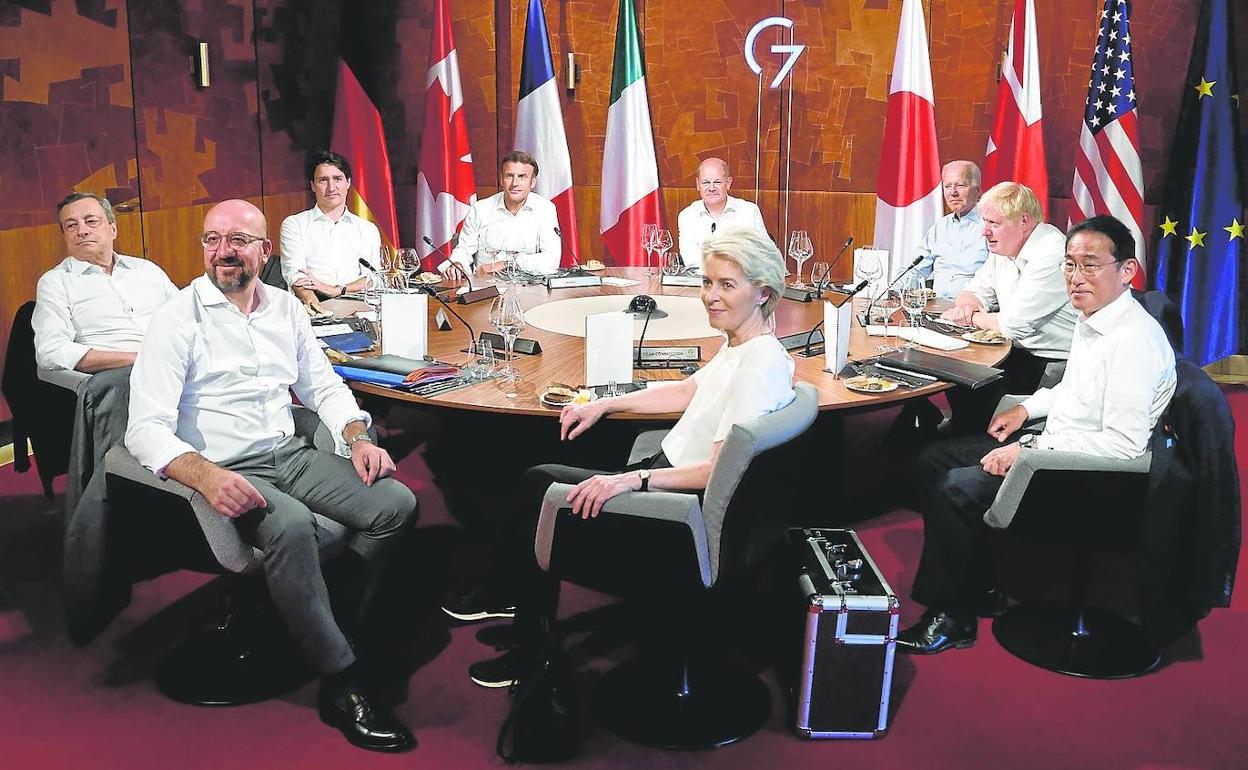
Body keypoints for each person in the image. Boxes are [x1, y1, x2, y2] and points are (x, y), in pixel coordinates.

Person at [125, 199, 418, 752]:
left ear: (265, 250)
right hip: (227, 467)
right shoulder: (176, 318)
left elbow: (323, 387)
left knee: (396, 505)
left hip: (288, 452)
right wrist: (205, 476)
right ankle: (341, 680)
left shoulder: (286, 309)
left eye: (237, 239)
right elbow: (144, 429)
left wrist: (355, 435)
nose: (223, 252)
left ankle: (325, 614)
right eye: (212, 240)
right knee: (291, 527)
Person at [464, 227, 795, 688]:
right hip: (666, 477)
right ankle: (522, 610)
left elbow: (722, 472)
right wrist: (606, 403)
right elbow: (687, 390)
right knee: (538, 480)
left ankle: (531, 647)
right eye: (707, 282)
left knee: (538, 484)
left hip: (679, 515)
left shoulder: (759, 366)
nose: (709, 297)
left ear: (762, 293)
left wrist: (632, 482)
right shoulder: (743, 346)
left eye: (726, 285)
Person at [897, 215, 1177, 654]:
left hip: (1090, 476)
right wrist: (1028, 408)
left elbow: (1123, 446)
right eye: (1069, 264)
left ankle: (950, 615)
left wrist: (1027, 451)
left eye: (1090, 265)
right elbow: (1076, 388)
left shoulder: (1133, 341)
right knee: (933, 458)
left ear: (1126, 271)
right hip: (1055, 442)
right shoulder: (1096, 316)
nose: (1075, 277)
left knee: (958, 486)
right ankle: (977, 580)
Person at [939, 181, 1078, 433]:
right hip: (1016, 353)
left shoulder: (1052, 252)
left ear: (1023, 222)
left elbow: (1013, 325)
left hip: (1054, 365)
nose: (984, 232)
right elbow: (972, 291)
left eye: (993, 223)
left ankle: (961, 450)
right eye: (984, 222)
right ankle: (949, 439)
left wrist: (972, 317)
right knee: (955, 372)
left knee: (972, 387)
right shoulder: (1004, 247)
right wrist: (968, 305)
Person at [33, 192, 178, 373]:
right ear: (65, 236)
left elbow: (187, 318)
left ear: (113, 229)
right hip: (121, 374)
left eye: (91, 221)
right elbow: (50, 352)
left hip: (176, 362)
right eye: (71, 225)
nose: (82, 231)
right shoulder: (56, 282)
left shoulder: (146, 270)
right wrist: (137, 357)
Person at [280, 151, 382, 306]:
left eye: (337, 179)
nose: (331, 187)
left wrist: (337, 290)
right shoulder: (294, 224)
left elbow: (373, 278)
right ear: (313, 186)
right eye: (323, 180)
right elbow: (295, 276)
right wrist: (320, 311)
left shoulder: (367, 229)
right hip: (313, 304)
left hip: (359, 305)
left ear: (348, 183)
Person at [440, 150, 560, 276]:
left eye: (522, 177)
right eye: (509, 176)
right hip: (485, 286)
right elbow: (464, 250)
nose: (515, 183)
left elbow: (551, 260)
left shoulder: (545, 209)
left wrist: (507, 264)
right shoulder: (480, 209)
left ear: (533, 182)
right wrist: (457, 263)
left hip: (530, 286)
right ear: (502, 179)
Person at [914, 161, 989, 299]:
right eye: (947, 186)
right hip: (935, 309)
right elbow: (915, 269)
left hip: (974, 312)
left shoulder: (990, 226)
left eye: (960, 185)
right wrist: (893, 291)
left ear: (978, 191)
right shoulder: (939, 228)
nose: (953, 192)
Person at [676, 158, 768, 269]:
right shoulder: (687, 216)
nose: (711, 188)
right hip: (702, 282)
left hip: (743, 282)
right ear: (698, 184)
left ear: (728, 183)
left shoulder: (749, 211)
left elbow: (764, 254)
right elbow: (691, 260)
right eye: (705, 183)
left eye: (717, 182)